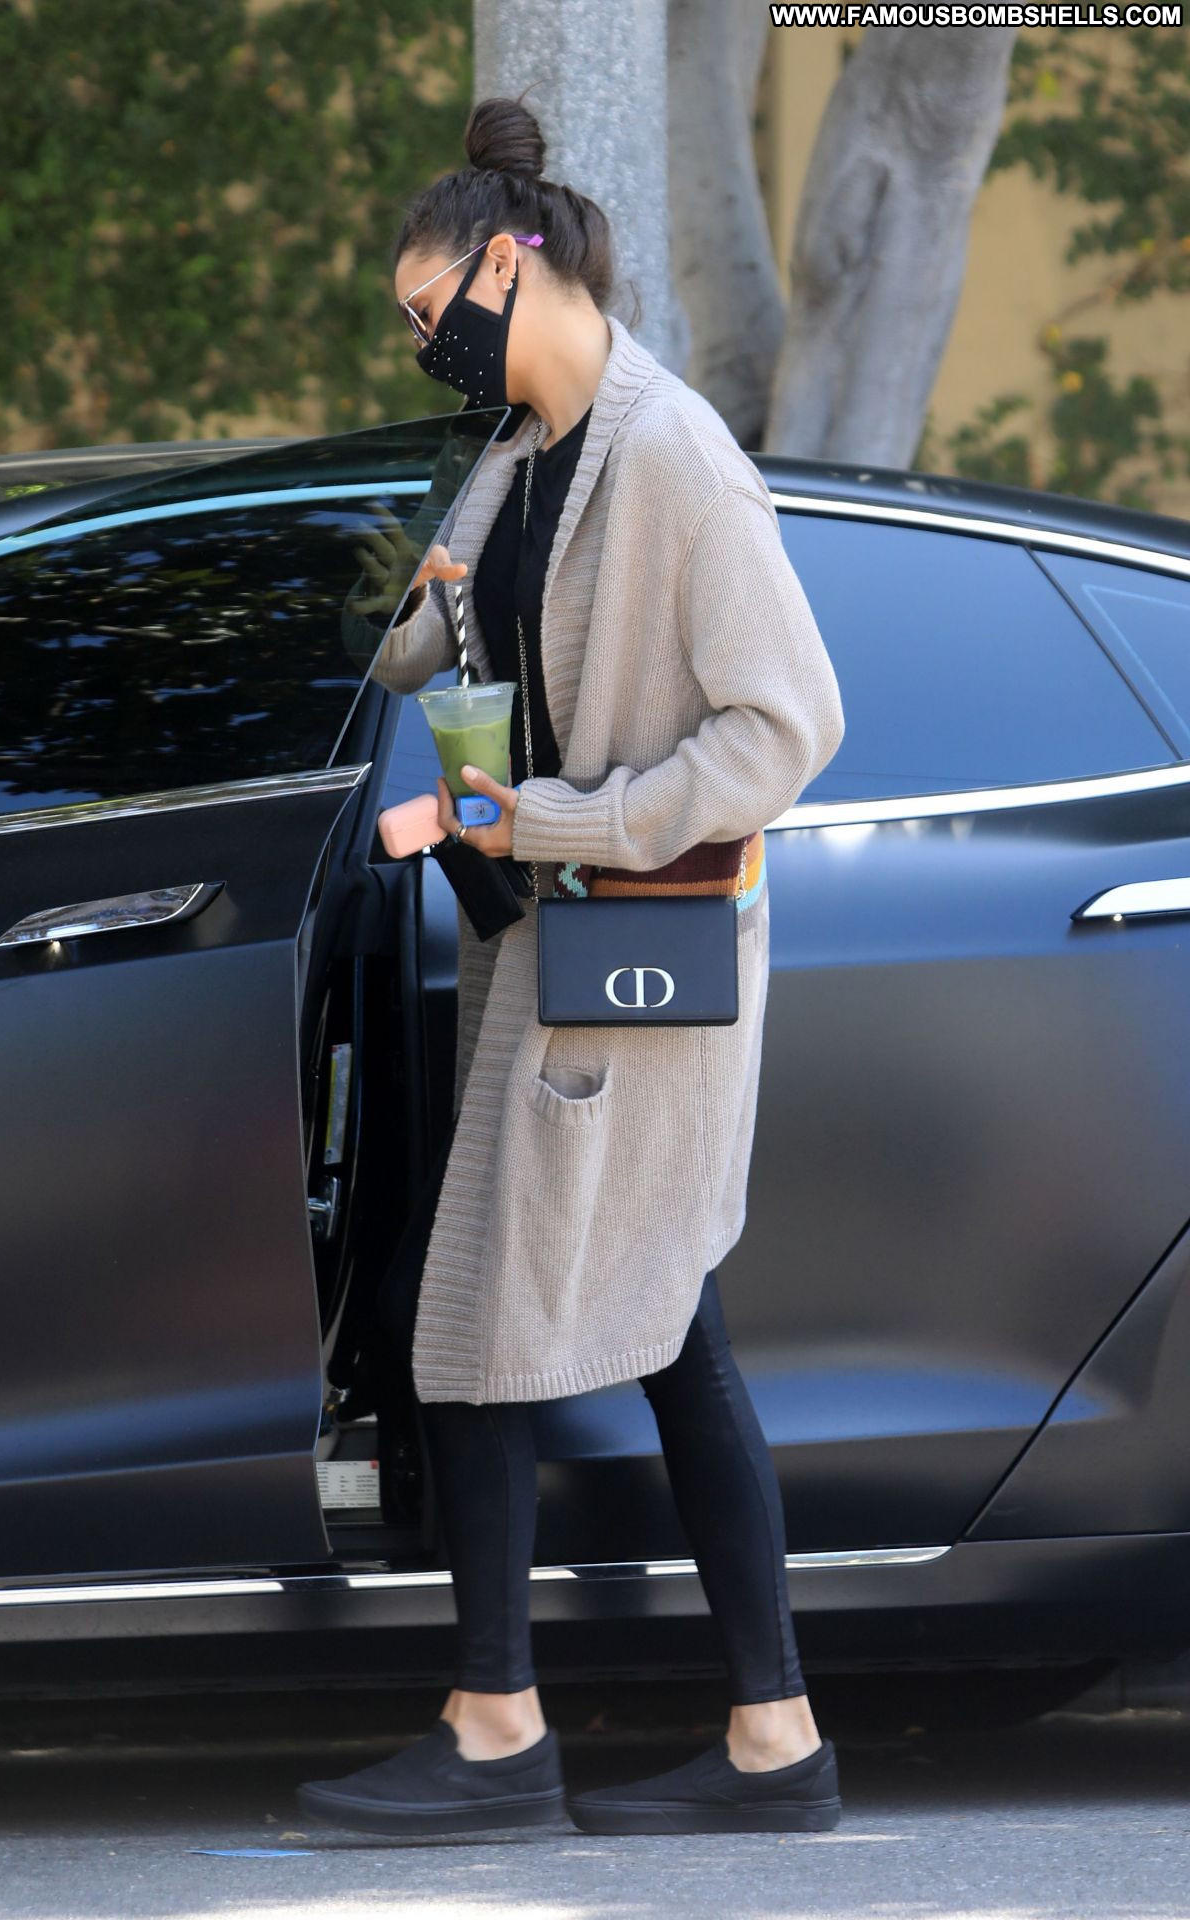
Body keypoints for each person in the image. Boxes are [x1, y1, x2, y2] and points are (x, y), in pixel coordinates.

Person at [297, 92, 847, 1840]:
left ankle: (497, 1733)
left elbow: (787, 727)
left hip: (635, 946)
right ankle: (775, 1744)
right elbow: (432, 655)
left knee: (467, 1319)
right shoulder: (526, 453)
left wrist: (549, 818)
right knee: (670, 1326)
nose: (424, 343)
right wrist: (416, 603)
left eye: (429, 309)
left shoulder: (673, 454)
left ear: (509, 265)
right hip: (549, 941)